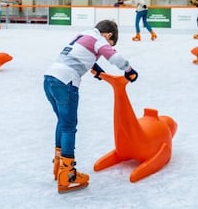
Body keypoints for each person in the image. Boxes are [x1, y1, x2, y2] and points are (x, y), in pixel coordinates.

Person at [44, 20, 138, 193]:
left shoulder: (83, 35)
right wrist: (129, 70)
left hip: (49, 78)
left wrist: (98, 70)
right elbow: (115, 58)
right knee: (69, 126)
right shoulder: (99, 40)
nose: (107, 46)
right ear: (108, 35)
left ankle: (58, 165)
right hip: (66, 81)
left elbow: (82, 56)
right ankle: (68, 173)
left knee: (62, 122)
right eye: (110, 42)